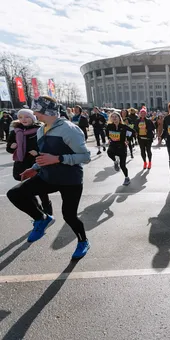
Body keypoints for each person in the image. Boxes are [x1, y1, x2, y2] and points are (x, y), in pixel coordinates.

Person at [6, 96, 91, 259]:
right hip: (48, 176)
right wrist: (34, 168)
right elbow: (45, 156)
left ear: (46, 111)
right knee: (15, 194)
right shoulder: (41, 129)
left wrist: (58, 158)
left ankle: (83, 241)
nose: (34, 114)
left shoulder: (69, 129)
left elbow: (85, 156)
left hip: (70, 181)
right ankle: (41, 218)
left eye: (36, 111)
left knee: (69, 216)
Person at [6, 108, 53, 215]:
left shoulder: (40, 130)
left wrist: (37, 152)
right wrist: (12, 147)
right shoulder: (15, 132)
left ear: (33, 118)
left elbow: (48, 146)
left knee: (41, 188)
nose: (24, 119)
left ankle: (48, 210)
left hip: (36, 162)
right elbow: (9, 149)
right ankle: (39, 211)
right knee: (26, 189)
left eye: (27, 117)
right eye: (20, 117)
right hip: (21, 163)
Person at [105, 111, 135, 186]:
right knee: (109, 152)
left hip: (122, 146)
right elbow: (107, 132)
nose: (114, 118)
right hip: (113, 145)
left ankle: (127, 178)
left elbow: (133, 132)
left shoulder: (124, 127)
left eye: (116, 117)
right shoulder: (109, 126)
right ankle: (115, 161)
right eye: (113, 117)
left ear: (119, 118)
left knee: (122, 165)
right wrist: (109, 139)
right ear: (111, 118)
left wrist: (128, 140)